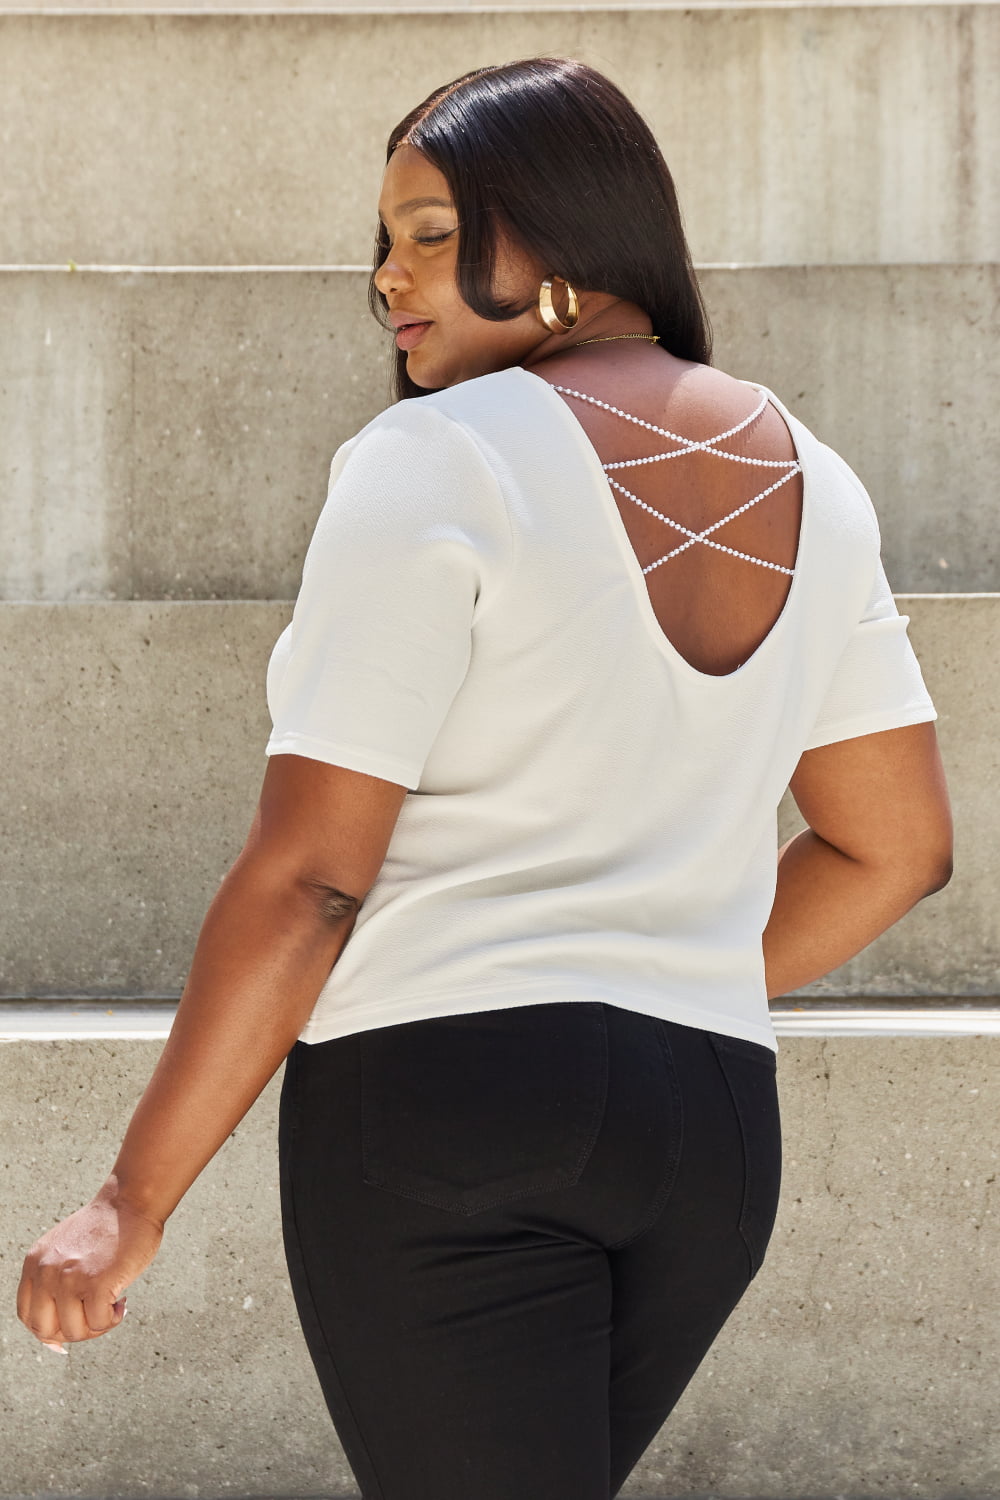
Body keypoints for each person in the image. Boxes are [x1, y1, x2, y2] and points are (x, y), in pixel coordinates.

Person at [18, 56, 952, 1500]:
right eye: (383, 244)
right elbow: (895, 850)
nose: (391, 280)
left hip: (444, 1104)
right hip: (707, 1135)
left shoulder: (437, 458)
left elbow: (312, 878)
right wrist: (657, 978)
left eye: (434, 234)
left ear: (562, 234)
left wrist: (127, 1204)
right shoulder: (819, 479)